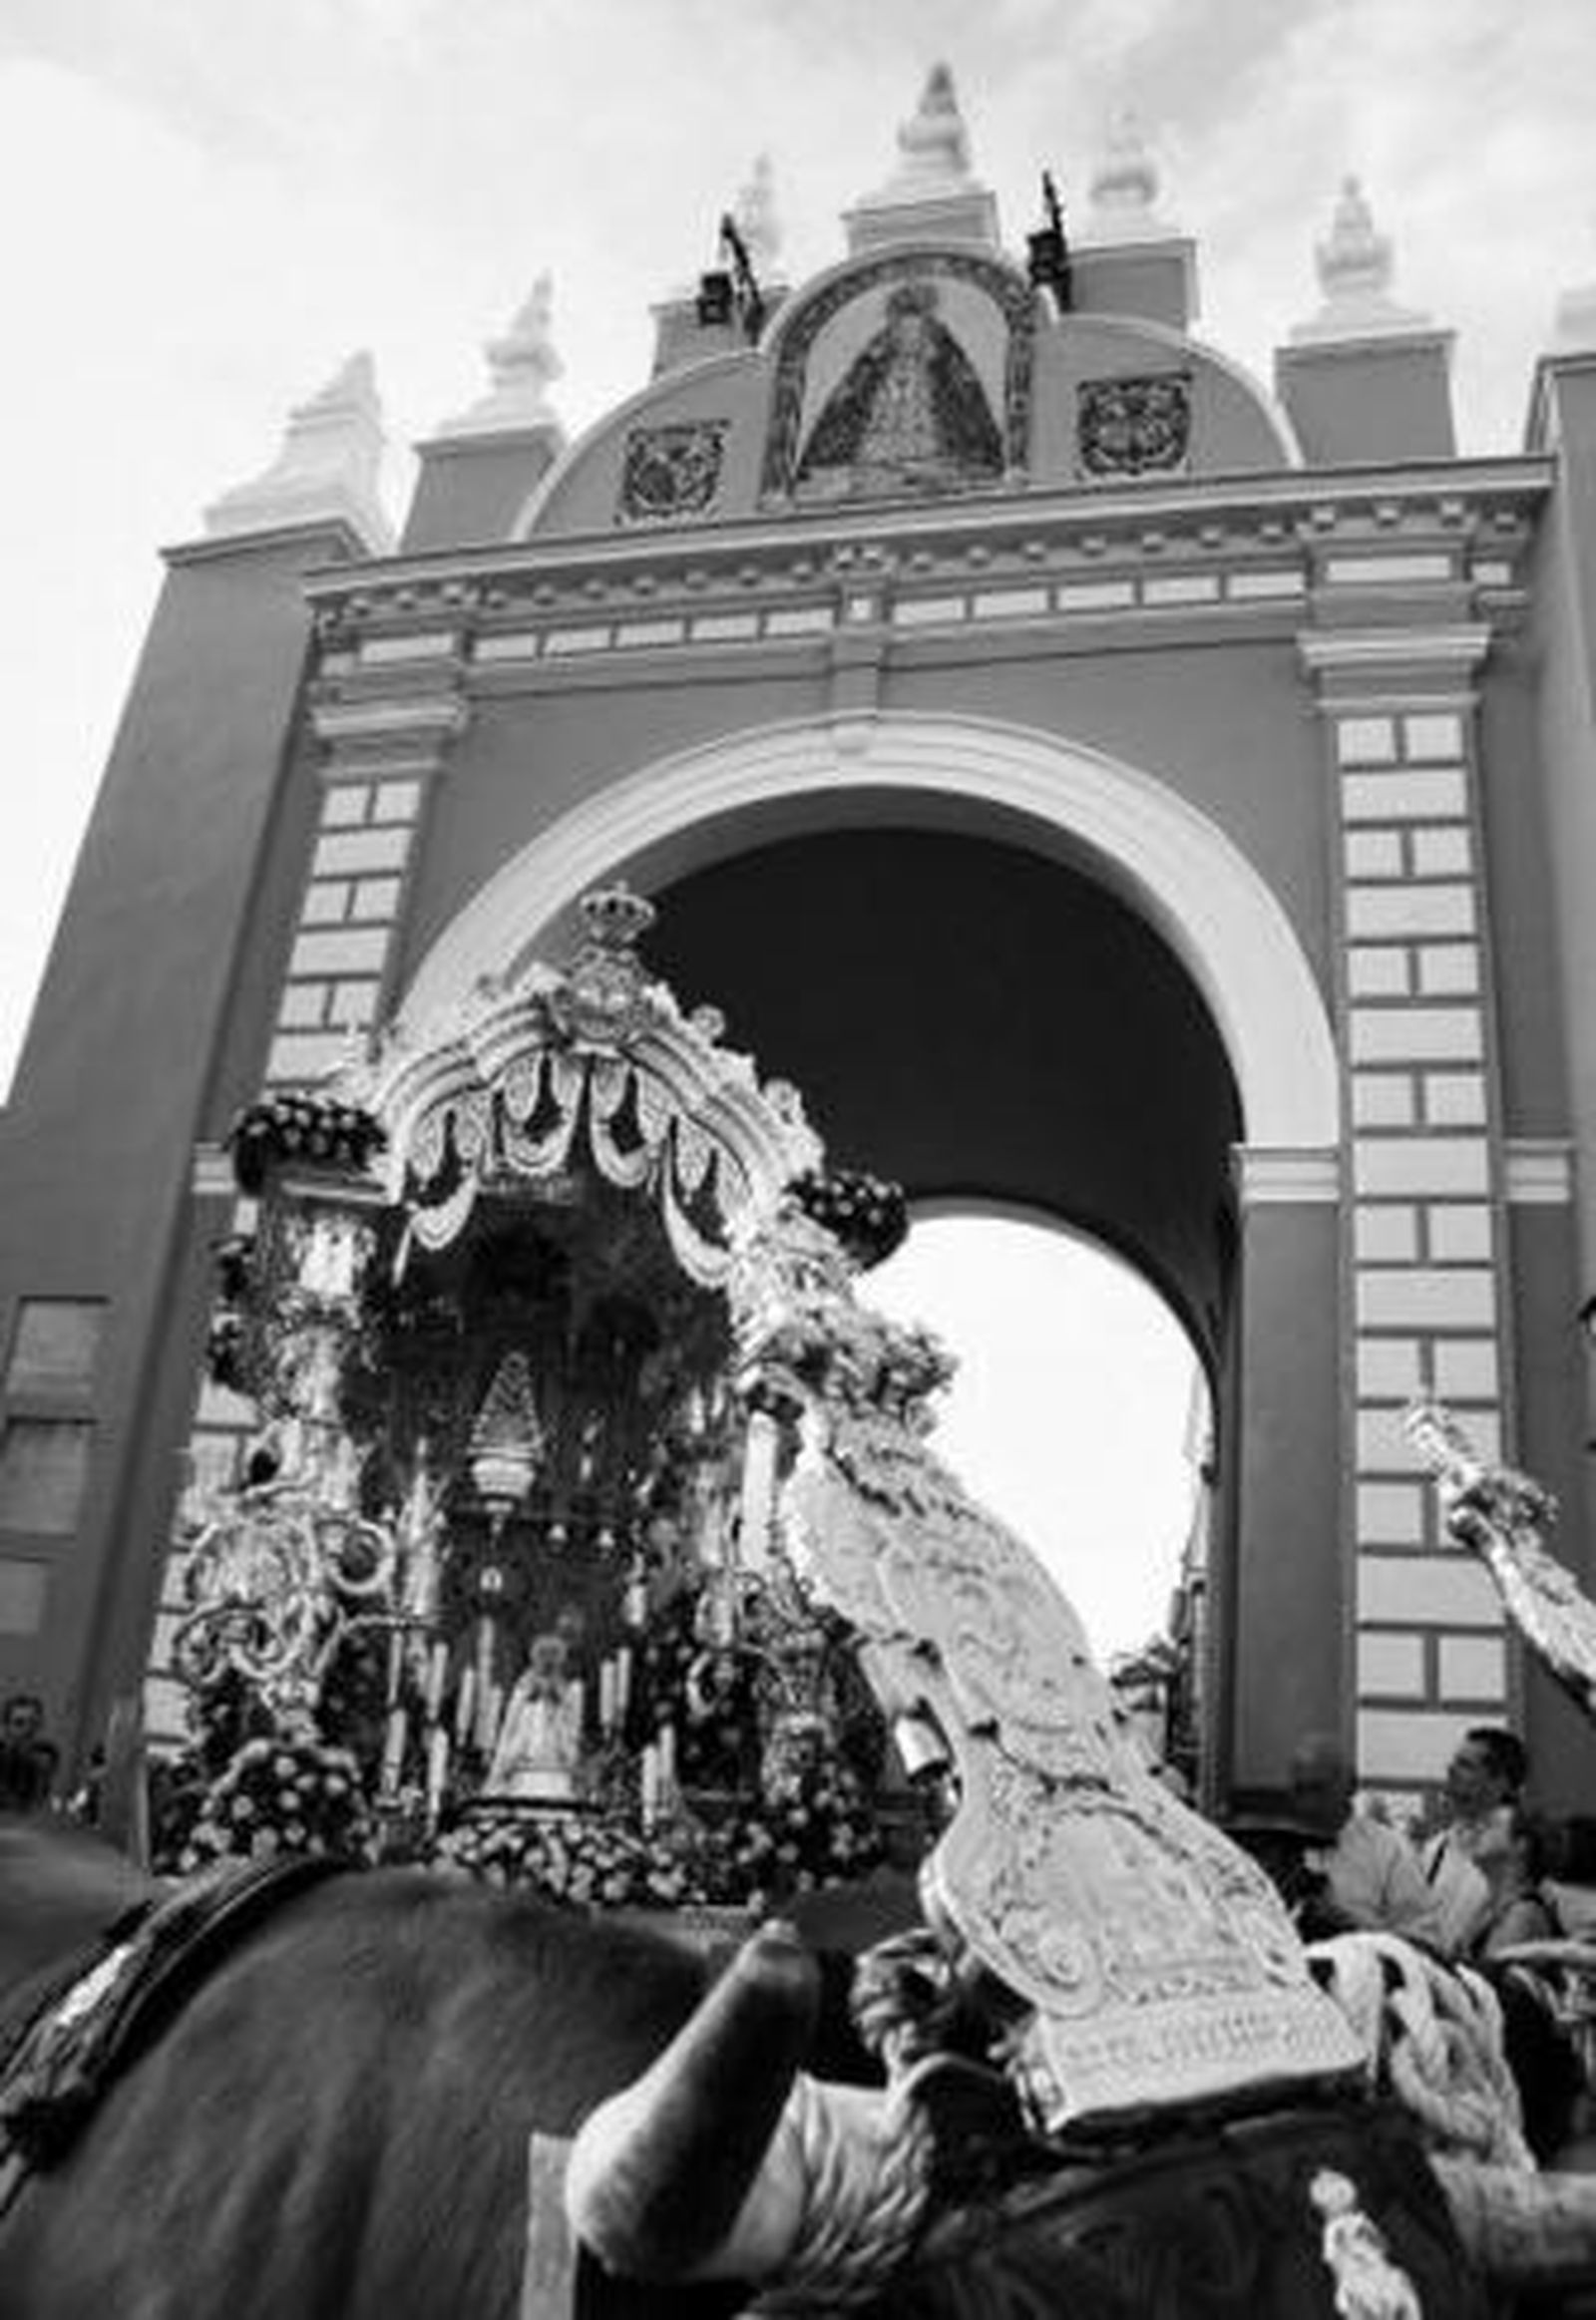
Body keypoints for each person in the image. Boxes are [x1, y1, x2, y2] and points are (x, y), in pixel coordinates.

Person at [1288, 1734, 1440, 1946]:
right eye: (1299, 1791)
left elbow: (1423, 1941)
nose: (1307, 1803)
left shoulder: (1390, 1852)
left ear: (1351, 1786)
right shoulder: (1278, 1848)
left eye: (1317, 1789)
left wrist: (1354, 1928)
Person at [1417, 1726, 1527, 1957]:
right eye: (1454, 1763)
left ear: (1501, 1782)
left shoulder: (1520, 1849)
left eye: (1466, 1766)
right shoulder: (1436, 1847)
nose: (1450, 1771)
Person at [487, 1628, 586, 1803]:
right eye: (544, 1655)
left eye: (552, 1656)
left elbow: (571, 1728)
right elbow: (511, 1728)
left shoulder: (565, 1690)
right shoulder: (524, 1688)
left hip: (556, 1769)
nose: (548, 1661)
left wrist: (557, 1704)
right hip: (524, 1766)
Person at [1470, 1804, 1558, 1960]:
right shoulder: (1493, 1909)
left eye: (1491, 1825)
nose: (1478, 1829)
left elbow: (1485, 1980)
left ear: (1520, 1845)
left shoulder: (1524, 1913)